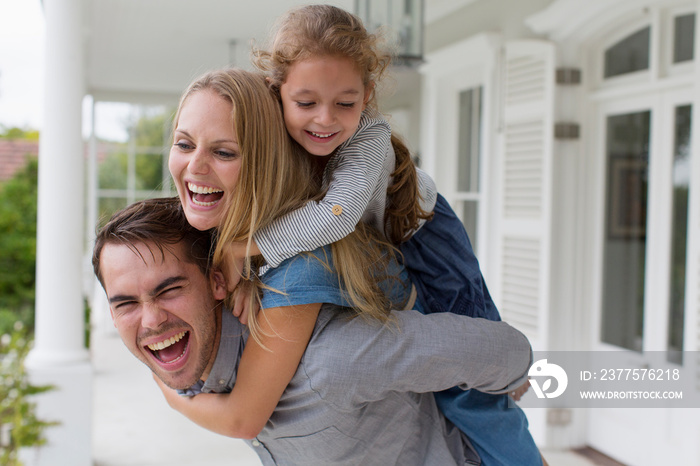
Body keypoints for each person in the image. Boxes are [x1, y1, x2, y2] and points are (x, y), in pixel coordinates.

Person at [168, 67, 546, 465]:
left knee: (478, 401)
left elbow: (245, 417)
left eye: (224, 151)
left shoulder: (300, 263)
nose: (195, 166)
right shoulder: (215, 229)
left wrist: (172, 396)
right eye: (183, 143)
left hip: (427, 233)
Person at [92, 196, 534, 465]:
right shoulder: (194, 367)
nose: (150, 321)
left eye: (169, 290)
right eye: (126, 303)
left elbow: (503, 348)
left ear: (217, 281)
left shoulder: (330, 361)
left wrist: (512, 380)